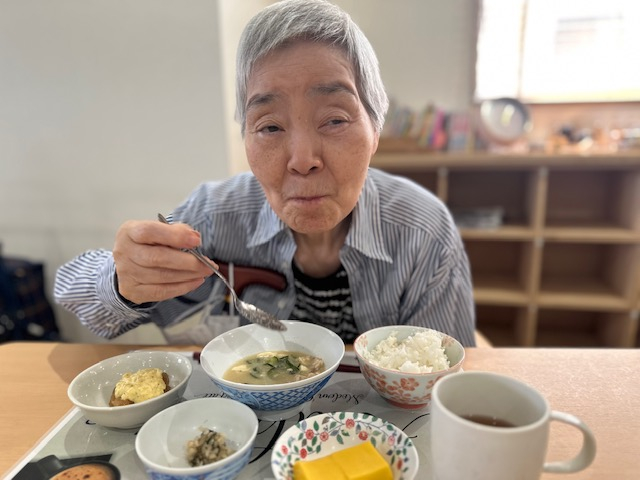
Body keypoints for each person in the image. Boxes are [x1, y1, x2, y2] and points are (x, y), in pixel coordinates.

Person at [54, 0, 476, 346]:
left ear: (375, 129)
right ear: (246, 137)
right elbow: (74, 291)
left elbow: (447, 374)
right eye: (270, 127)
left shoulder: (422, 233)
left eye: (334, 119)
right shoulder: (212, 218)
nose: (302, 159)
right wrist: (123, 280)